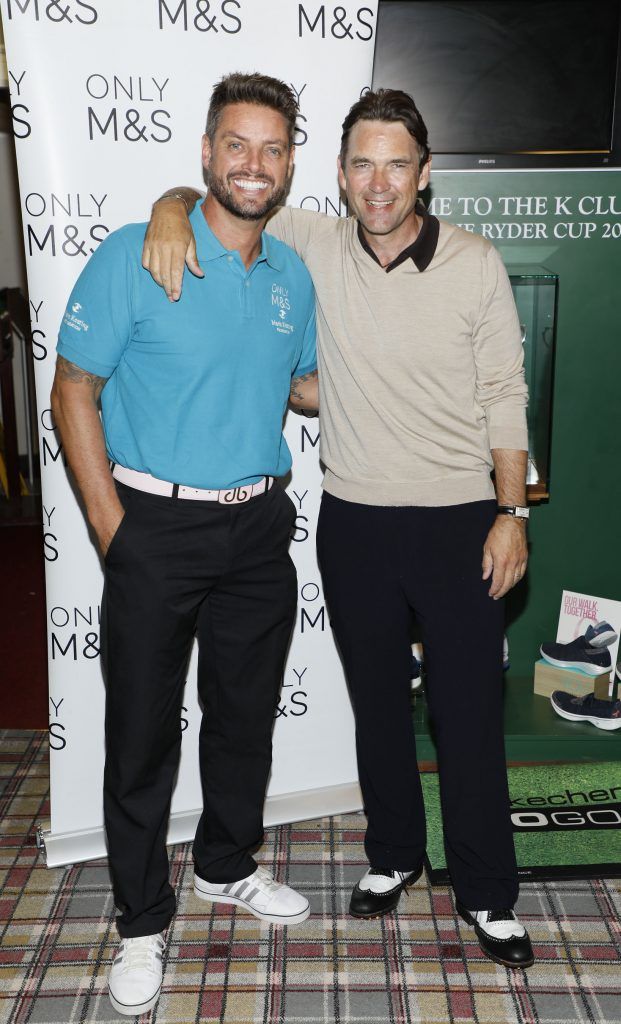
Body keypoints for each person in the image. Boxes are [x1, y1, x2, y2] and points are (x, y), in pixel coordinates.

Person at [142, 88, 534, 969]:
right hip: (352, 519)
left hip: (461, 519)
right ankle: (395, 855)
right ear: (340, 176)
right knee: (378, 713)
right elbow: (218, 200)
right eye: (362, 163)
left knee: (467, 715)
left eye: (396, 163)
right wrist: (168, 209)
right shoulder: (311, 240)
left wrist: (511, 514)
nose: (379, 182)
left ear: (424, 173)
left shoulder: (475, 262)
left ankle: (485, 891)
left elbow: (504, 396)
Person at [51, 73, 319, 1017]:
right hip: (152, 525)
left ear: (290, 163)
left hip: (257, 527)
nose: (253, 163)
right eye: (236, 144)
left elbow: (308, 386)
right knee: (140, 735)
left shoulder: (292, 273)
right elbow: (73, 387)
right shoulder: (141, 251)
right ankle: (140, 919)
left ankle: (226, 865)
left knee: (243, 717)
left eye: (272, 147)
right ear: (206, 153)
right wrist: (111, 528)